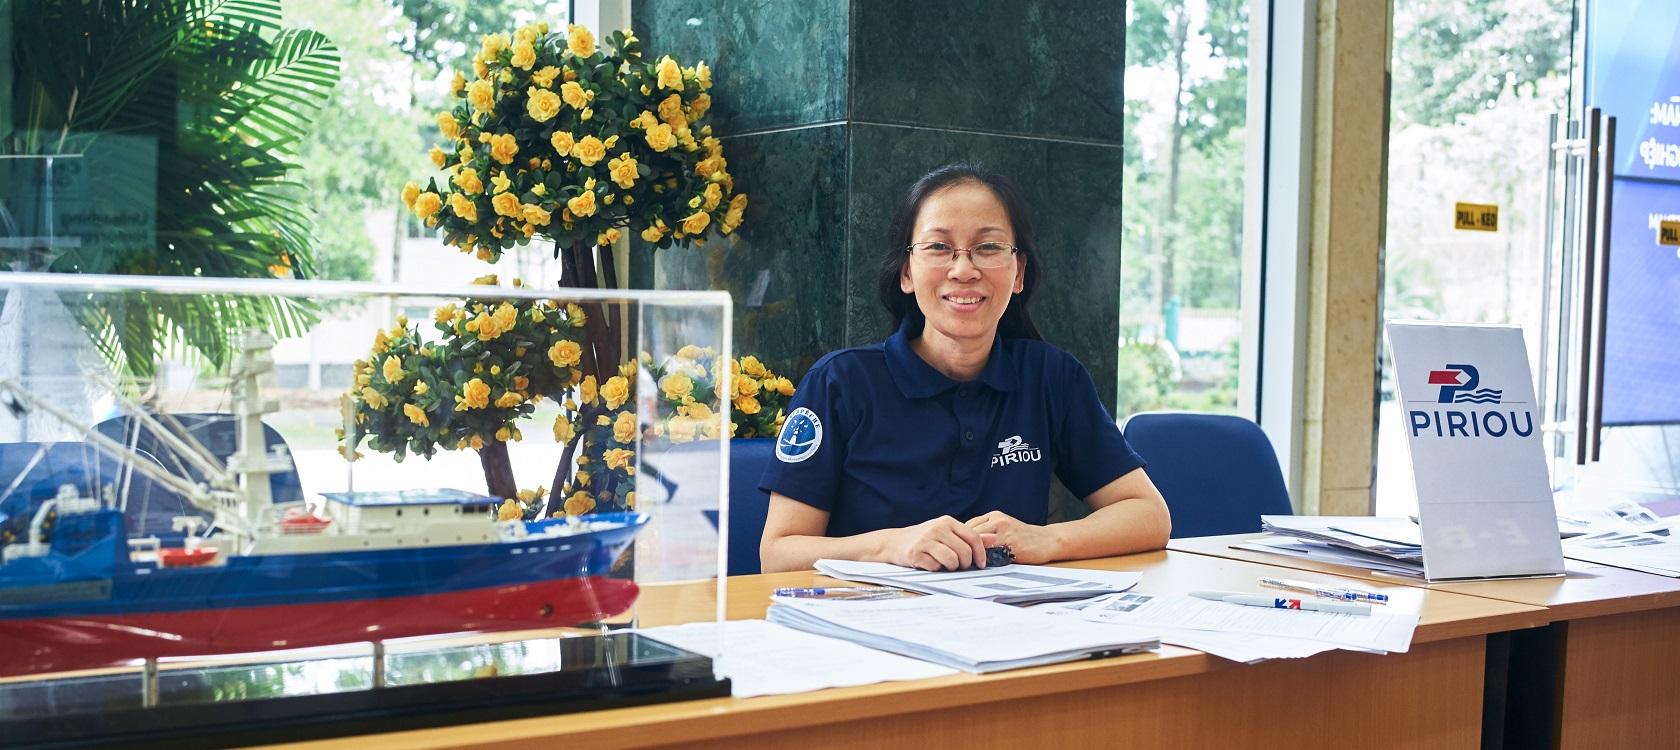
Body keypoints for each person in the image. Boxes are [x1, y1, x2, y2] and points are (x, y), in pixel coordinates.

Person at [757, 164, 1170, 573]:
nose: (963, 270)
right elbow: (778, 553)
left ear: (1019, 272)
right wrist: (892, 546)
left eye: (988, 247)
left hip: (1008, 611)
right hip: (872, 610)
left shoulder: (1051, 377)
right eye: (939, 247)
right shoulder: (840, 383)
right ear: (906, 272)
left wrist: (1045, 539)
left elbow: (1148, 514)